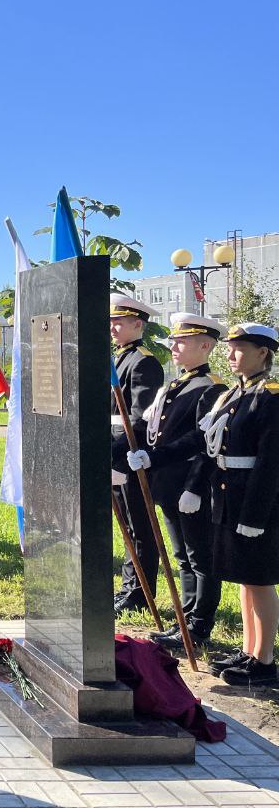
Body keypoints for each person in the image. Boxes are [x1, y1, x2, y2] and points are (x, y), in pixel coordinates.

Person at [124, 313, 227, 650]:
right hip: (169, 484)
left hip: (191, 485)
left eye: (182, 341)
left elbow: (204, 444)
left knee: (201, 558)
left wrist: (194, 487)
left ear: (205, 345)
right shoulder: (177, 383)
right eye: (174, 340)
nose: (174, 346)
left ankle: (199, 627)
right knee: (183, 556)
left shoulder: (211, 387)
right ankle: (184, 618)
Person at [199, 323, 279, 686]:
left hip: (255, 502)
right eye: (229, 349)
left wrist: (254, 514)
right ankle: (249, 650)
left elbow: (270, 462)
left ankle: (264, 660)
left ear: (263, 353)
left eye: (239, 349)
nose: (230, 355)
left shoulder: (272, 396)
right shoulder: (237, 393)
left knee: (260, 580)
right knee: (245, 579)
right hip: (230, 495)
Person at [110, 294, 165, 616]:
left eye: (120, 322)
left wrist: (116, 450)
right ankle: (129, 587)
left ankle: (141, 593)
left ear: (138, 324)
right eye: (111, 322)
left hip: (128, 450)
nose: (113, 327)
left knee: (138, 525)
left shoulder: (143, 361)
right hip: (112, 445)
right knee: (126, 524)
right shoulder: (117, 358)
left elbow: (140, 415)